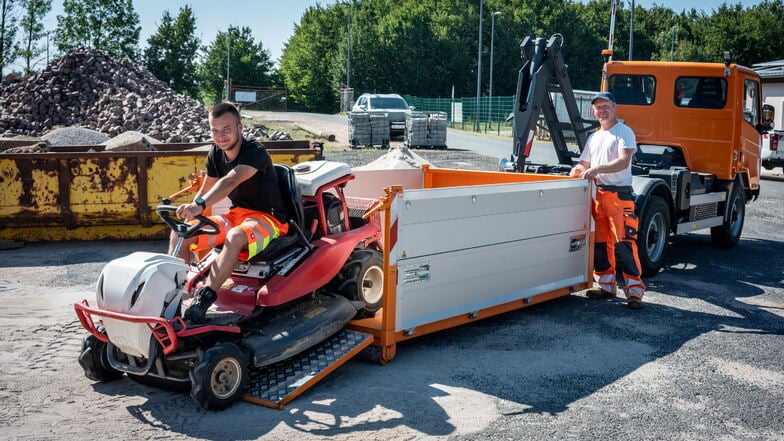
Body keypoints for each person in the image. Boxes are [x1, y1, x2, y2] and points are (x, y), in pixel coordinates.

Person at [169, 102, 288, 323]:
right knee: (181, 232)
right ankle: (172, 295)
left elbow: (231, 180)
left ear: (240, 128)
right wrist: (192, 212)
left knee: (235, 236)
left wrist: (199, 206)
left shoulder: (255, 151)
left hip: (268, 219)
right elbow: (207, 187)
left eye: (227, 129)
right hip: (237, 215)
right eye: (215, 130)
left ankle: (204, 297)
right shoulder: (215, 152)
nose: (220, 136)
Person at [570, 91, 645, 310]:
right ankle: (606, 286)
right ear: (593, 111)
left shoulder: (624, 132)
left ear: (615, 107)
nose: (601, 110)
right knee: (601, 244)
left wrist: (596, 169)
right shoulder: (594, 137)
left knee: (625, 245)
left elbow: (623, 162)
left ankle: (634, 292)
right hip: (598, 196)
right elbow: (584, 162)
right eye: (598, 107)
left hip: (618, 196)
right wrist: (578, 169)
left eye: (606, 106)